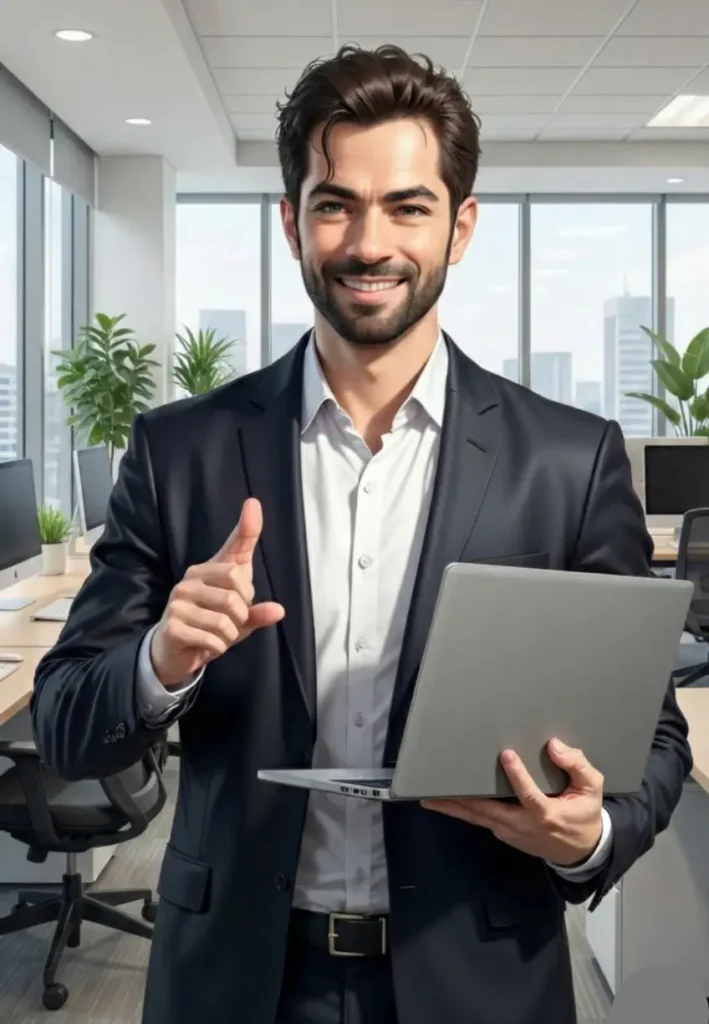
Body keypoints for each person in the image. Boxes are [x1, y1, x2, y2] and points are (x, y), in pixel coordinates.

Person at [32, 44, 691, 1024]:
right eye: (335, 203)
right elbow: (66, 718)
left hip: (479, 980)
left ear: (459, 227)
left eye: (408, 206)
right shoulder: (184, 452)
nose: (368, 241)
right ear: (292, 220)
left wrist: (588, 832)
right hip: (238, 981)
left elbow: (652, 734)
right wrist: (161, 658)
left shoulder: (567, 460)